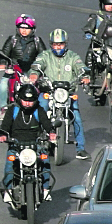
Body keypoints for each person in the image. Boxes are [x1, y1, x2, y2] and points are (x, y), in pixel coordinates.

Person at [31, 28, 89, 160]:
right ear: (51, 44)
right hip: (49, 92)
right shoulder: (45, 55)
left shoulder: (72, 56)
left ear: (65, 44)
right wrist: (34, 74)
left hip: (67, 93)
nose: (58, 47)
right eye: (55, 44)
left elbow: (80, 66)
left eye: (61, 44)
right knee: (39, 111)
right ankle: (35, 143)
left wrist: (84, 76)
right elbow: (37, 64)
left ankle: (80, 148)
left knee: (76, 118)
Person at [0, 82, 54, 202]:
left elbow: (46, 123)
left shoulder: (39, 110)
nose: (28, 103)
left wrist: (51, 132)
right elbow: (5, 125)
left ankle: (45, 189)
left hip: (36, 145)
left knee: (45, 160)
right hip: (16, 145)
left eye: (31, 101)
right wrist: (3, 135)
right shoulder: (13, 110)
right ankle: (8, 190)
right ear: (19, 99)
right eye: (25, 100)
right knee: (10, 163)